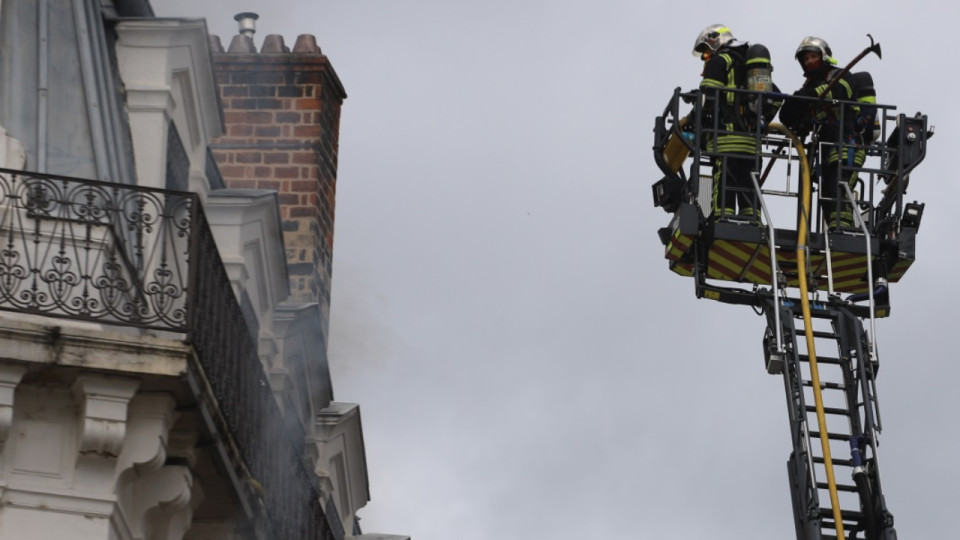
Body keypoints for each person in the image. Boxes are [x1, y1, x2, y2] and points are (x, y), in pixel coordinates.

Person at [779, 36, 874, 230]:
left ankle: (843, 230)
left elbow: (840, 91)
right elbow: (787, 115)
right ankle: (834, 228)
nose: (808, 62)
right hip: (824, 148)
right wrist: (798, 104)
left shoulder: (842, 76)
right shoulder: (808, 88)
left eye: (812, 56)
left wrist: (810, 97)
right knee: (825, 191)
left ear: (824, 56)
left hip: (848, 144)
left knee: (839, 186)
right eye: (805, 59)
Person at [689, 24, 781, 222]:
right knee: (749, 183)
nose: (705, 57)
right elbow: (776, 97)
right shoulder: (750, 66)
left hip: (725, 138)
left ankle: (723, 217)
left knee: (724, 181)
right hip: (751, 142)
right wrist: (763, 123)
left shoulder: (719, 61)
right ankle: (752, 221)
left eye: (705, 51)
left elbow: (707, 98)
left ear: (714, 41)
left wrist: (691, 119)